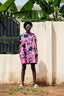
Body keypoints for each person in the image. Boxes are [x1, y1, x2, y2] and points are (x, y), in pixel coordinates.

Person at [18, 21, 39, 88]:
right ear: (24, 27)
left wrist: (35, 53)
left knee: (33, 67)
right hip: (24, 53)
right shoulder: (21, 36)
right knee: (23, 67)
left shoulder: (33, 35)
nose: (28, 27)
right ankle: (22, 83)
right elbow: (20, 45)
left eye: (29, 26)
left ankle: (34, 83)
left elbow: (36, 44)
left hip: (32, 53)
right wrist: (21, 53)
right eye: (27, 26)